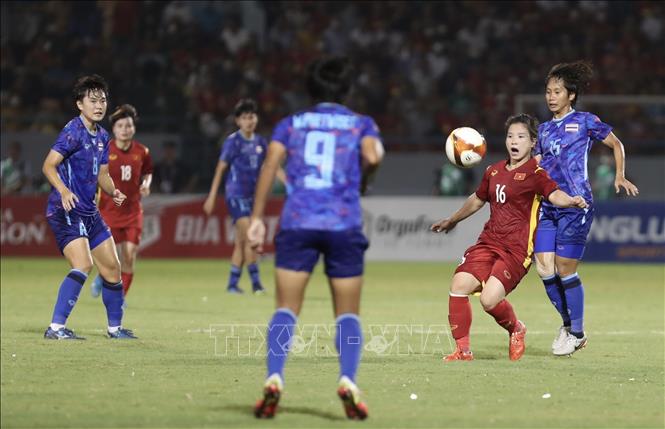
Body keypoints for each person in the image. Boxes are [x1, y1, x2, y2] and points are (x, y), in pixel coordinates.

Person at [247, 56, 384, 420]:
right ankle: (347, 380)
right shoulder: (360, 124)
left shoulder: (291, 124)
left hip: (298, 220)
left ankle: (274, 377)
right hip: (343, 222)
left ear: (310, 89)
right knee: (347, 313)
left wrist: (258, 218)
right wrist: (364, 180)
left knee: (286, 308)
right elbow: (372, 156)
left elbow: (270, 166)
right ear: (347, 89)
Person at [430, 114, 588, 362]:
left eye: (521, 136)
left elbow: (554, 194)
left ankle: (516, 329)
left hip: (516, 250)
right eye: (510, 136)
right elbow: (477, 200)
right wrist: (452, 220)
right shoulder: (493, 171)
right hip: (488, 242)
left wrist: (570, 200)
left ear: (533, 142)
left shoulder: (536, 173)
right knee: (458, 285)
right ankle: (463, 351)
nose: (514, 141)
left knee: (489, 300)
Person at [533, 61, 639, 356]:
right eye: (548, 91)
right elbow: (538, 165)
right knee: (543, 268)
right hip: (550, 205)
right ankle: (569, 326)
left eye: (557, 91)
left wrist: (619, 175)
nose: (551, 96)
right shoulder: (542, 130)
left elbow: (616, 144)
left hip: (577, 204)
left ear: (571, 96)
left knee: (565, 270)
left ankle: (577, 333)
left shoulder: (585, 121)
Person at [41, 74, 136, 340]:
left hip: (89, 212)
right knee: (83, 264)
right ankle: (56, 328)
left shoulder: (103, 136)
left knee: (113, 268)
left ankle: (115, 329)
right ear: (79, 104)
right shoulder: (73, 131)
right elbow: (48, 165)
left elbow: (102, 175)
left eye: (102, 100)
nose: (99, 105)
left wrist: (113, 190)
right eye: (92, 100)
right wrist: (63, 191)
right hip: (65, 209)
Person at [203, 99, 277, 294]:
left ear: (256, 118)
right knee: (252, 237)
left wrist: (290, 184)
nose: (249, 121)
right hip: (235, 194)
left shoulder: (261, 142)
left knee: (241, 241)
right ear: (238, 121)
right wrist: (212, 196)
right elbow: (221, 168)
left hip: (253, 197)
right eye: (244, 118)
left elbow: (271, 167)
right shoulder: (233, 141)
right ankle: (256, 283)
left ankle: (232, 284)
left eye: (251, 116)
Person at [91, 104, 153, 300]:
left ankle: (119, 299)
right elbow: (94, 176)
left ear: (134, 128)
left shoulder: (142, 151)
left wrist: (146, 183)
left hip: (133, 212)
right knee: (111, 259)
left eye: (128, 126)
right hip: (108, 212)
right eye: (120, 126)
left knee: (129, 256)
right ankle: (102, 276)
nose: (125, 130)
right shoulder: (104, 150)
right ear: (114, 129)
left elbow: (148, 172)